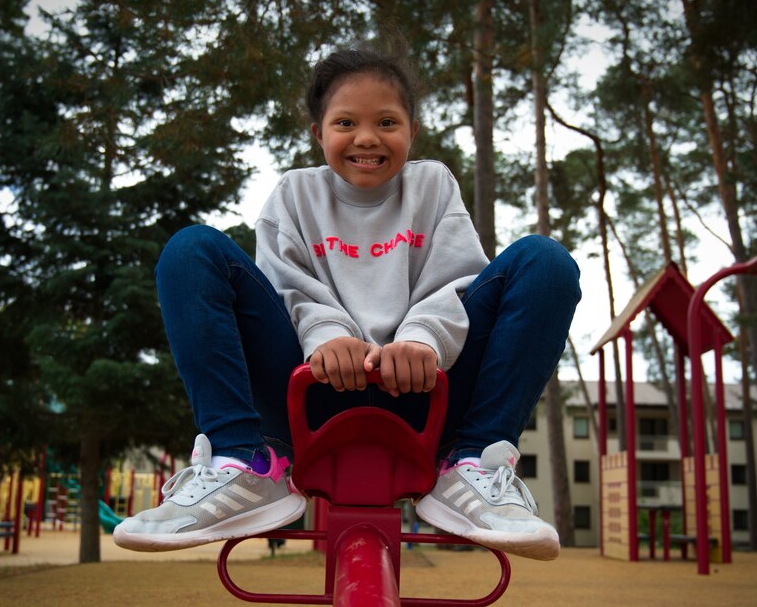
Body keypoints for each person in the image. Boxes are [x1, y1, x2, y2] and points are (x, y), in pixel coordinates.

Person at [114, 40, 580, 561]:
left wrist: (419, 338)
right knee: (190, 249)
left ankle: (473, 465)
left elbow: (457, 280)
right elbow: (284, 284)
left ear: (412, 131)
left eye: (386, 122)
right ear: (318, 132)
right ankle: (242, 462)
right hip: (309, 392)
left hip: (427, 392)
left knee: (546, 263)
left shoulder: (432, 185)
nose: (366, 138)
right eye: (344, 124)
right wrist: (328, 336)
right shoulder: (294, 194)